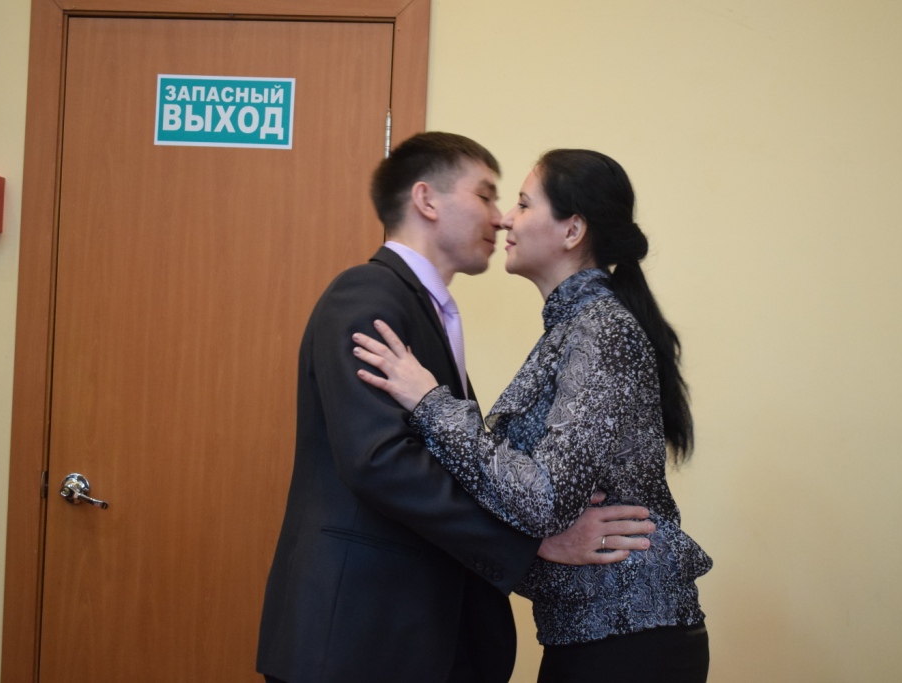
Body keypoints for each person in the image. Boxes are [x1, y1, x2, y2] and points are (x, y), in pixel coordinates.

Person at [256, 134, 658, 683]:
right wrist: (532, 543)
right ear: (427, 200)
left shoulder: (448, 312)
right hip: (359, 637)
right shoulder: (368, 295)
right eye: (487, 196)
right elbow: (380, 461)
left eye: (516, 203)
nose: (500, 217)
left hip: (417, 637)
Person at [353, 148, 714, 682]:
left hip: (628, 637)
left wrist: (431, 403)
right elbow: (538, 503)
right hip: (595, 636)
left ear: (572, 231)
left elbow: (545, 499)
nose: (505, 219)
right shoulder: (574, 328)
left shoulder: (600, 328)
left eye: (522, 204)